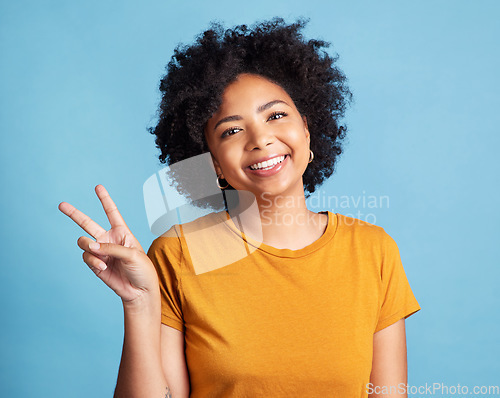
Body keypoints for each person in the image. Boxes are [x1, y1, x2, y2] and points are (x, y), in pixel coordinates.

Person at [59, 18, 420, 398]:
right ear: (213, 162)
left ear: (307, 129)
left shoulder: (373, 251)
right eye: (231, 130)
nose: (261, 139)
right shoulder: (177, 254)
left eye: (276, 115)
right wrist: (138, 305)